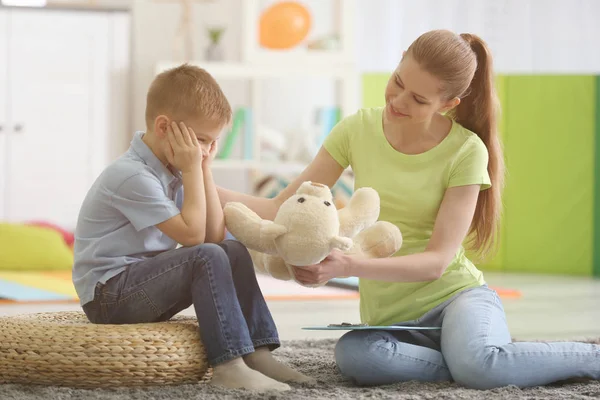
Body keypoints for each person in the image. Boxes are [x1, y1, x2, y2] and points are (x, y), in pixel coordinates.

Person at [217, 30, 600, 389]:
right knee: (356, 356)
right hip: (389, 319)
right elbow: (278, 207)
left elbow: (436, 261)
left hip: (455, 299)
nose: (399, 101)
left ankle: (590, 357)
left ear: (448, 104)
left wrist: (347, 266)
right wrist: (197, 181)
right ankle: (465, 362)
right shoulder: (356, 130)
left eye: (418, 99)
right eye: (398, 82)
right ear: (399, 61)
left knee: (481, 364)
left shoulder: (467, 152)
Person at [72, 64, 313, 392]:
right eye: (200, 139)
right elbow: (192, 237)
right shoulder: (132, 176)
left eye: (211, 143)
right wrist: (191, 170)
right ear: (164, 127)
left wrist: (204, 170)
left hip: (141, 285)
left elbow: (214, 235)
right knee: (206, 256)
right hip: (108, 298)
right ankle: (228, 364)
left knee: (231, 249)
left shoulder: (173, 170)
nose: (204, 150)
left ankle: (257, 352)